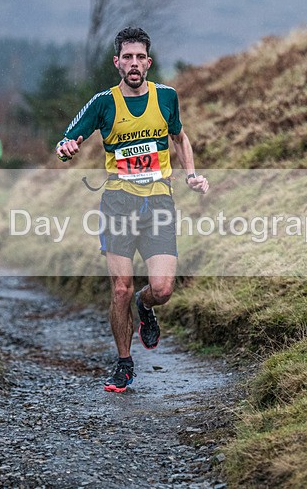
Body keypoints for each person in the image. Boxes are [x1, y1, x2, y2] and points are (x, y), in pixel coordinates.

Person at [55, 27, 209, 393]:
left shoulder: (167, 97)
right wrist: (65, 147)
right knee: (120, 289)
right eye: (128, 57)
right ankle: (124, 363)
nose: (134, 63)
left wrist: (191, 175)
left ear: (149, 62)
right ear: (117, 62)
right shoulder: (103, 103)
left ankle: (146, 305)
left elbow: (180, 137)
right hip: (118, 205)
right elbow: (68, 137)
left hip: (158, 203)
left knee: (163, 288)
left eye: (140, 57)